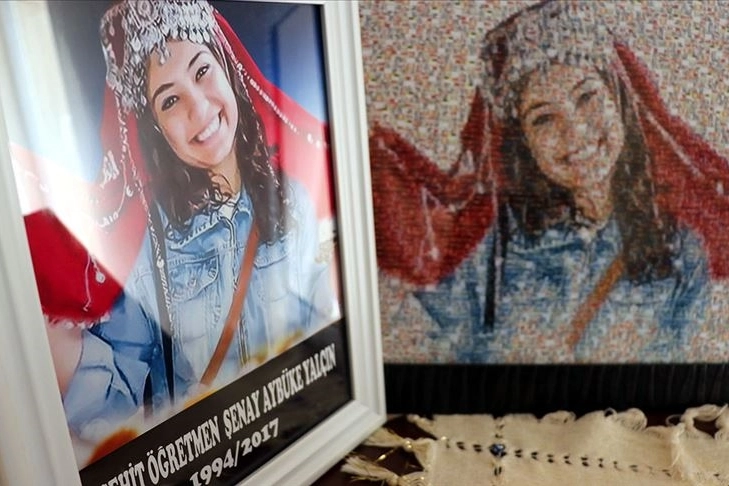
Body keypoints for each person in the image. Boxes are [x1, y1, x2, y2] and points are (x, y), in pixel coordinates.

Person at [39, 0, 339, 448]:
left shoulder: (292, 197)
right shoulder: (149, 247)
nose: (199, 110)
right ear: (155, 127)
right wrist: (47, 344)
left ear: (227, 68)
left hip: (301, 434)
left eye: (202, 71)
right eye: (170, 100)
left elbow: (322, 331)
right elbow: (113, 402)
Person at [371, 0, 729, 363]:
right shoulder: (489, 251)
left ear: (619, 100)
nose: (575, 132)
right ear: (524, 143)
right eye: (543, 118)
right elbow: (429, 347)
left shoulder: (683, 252)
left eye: (587, 97)